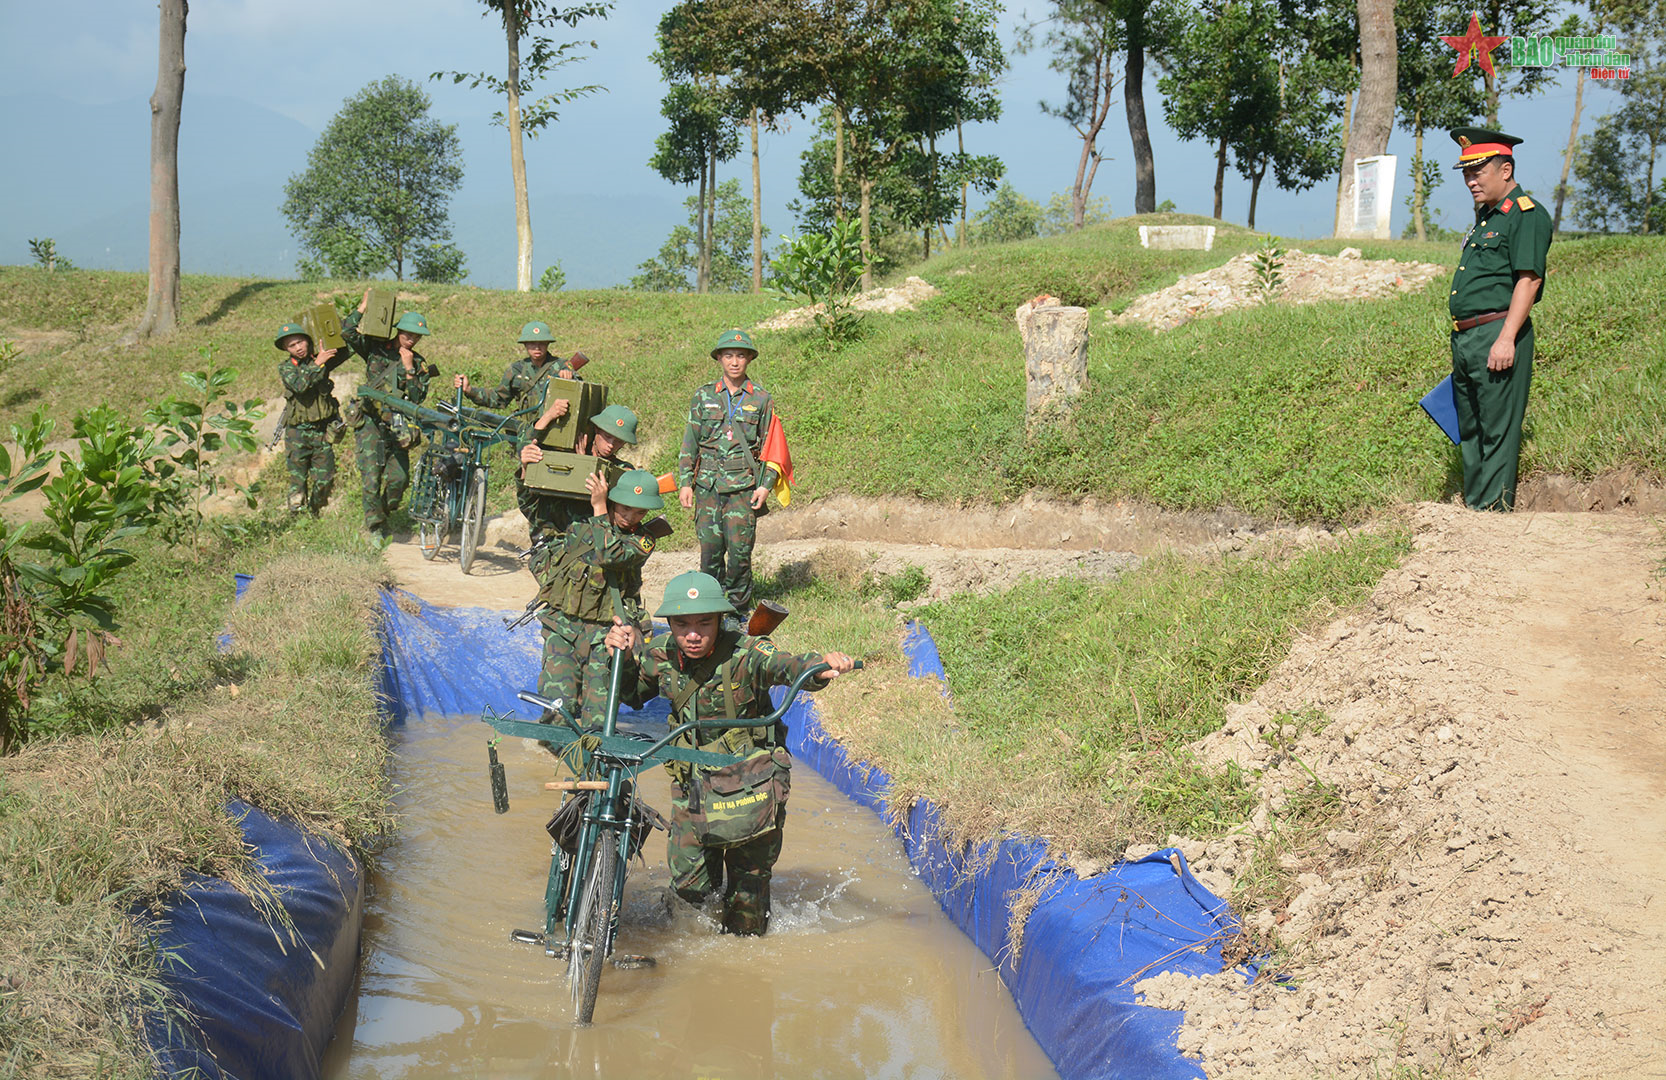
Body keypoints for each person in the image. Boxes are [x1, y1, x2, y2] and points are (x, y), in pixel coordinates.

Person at [602, 572, 856, 935]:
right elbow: (631, 694)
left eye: (705, 623)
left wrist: (820, 667)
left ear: (721, 620)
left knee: (747, 915)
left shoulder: (748, 652)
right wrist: (621, 657)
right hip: (693, 790)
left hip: (750, 787)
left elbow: (786, 665)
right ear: (669, 623)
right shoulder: (660, 653)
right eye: (682, 624)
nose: (693, 634)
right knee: (687, 903)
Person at [1447, 126, 1552, 512]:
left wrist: (1506, 338)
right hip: (1467, 338)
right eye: (1466, 173)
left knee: (1497, 428)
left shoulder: (1525, 215)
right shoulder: (1486, 219)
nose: (1470, 180)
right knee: (1470, 428)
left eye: (1478, 172)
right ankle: (1476, 506)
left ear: (1505, 170)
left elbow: (1529, 278)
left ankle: (1492, 512)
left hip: (1498, 331)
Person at [532, 468, 663, 728]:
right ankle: (558, 760)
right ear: (614, 499)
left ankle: (592, 765)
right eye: (625, 508)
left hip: (606, 635)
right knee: (556, 710)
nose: (630, 517)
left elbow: (609, 554)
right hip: (563, 627)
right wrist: (527, 467)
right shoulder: (582, 519)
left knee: (598, 720)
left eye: (639, 512)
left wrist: (600, 509)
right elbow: (535, 506)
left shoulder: (643, 540)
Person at [453, 320, 586, 540]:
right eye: (531, 343)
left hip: (557, 436)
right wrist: (470, 391)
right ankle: (540, 535)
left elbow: (581, 393)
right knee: (530, 484)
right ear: (525, 345)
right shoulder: (517, 370)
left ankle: (560, 531)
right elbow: (498, 398)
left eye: (541, 343)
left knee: (558, 482)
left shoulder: (561, 366)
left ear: (547, 344)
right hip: (528, 435)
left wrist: (570, 377)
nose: (537, 347)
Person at [678, 329, 776, 625]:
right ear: (720, 359)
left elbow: (772, 446)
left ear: (749, 360)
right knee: (710, 552)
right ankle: (710, 609)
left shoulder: (761, 399)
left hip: (743, 489)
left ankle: (736, 611)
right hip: (707, 487)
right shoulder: (703, 395)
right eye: (729, 355)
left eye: (741, 356)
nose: (735, 362)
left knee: (739, 553)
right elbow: (690, 442)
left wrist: (766, 486)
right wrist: (685, 482)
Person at [341, 290, 434, 542]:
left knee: (399, 480)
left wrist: (409, 368)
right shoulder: (375, 347)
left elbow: (417, 398)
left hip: (398, 424)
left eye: (416, 336)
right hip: (370, 421)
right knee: (371, 477)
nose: (411, 339)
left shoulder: (418, 362)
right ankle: (375, 528)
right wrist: (362, 307)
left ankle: (382, 511)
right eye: (407, 334)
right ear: (398, 331)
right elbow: (347, 333)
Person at [521, 404, 641, 546]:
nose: (611, 445)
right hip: (555, 535)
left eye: (619, 441)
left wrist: (585, 468)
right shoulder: (566, 453)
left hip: (591, 540)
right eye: (607, 436)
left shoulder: (622, 470)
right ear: (597, 429)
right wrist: (548, 416)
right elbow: (529, 501)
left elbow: (622, 515)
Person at [273, 322, 347, 516]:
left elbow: (344, 342)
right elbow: (299, 385)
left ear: (308, 341)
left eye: (300, 342)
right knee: (297, 481)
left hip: (322, 431)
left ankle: (314, 512)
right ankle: (297, 519)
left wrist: (358, 311)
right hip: (297, 433)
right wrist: (317, 363)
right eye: (291, 346)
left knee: (326, 479)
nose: (298, 348)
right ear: (285, 349)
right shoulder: (286, 368)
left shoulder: (321, 360)